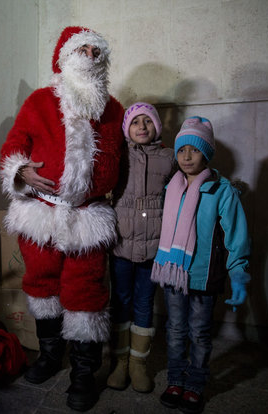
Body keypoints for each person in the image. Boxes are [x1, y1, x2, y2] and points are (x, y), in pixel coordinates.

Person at [0, 26, 124, 411]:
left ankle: (83, 374)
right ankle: (51, 356)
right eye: (81, 49)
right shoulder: (39, 102)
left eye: (96, 50)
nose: (90, 55)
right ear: (63, 58)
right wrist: (21, 171)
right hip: (41, 211)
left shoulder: (115, 109)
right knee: (41, 285)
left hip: (89, 216)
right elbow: (14, 145)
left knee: (86, 292)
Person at [151, 116, 251, 414]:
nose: (186, 156)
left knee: (199, 333)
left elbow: (236, 235)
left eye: (194, 150)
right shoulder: (171, 188)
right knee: (175, 330)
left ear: (206, 153)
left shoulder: (221, 191)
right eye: (182, 150)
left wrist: (239, 273)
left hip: (203, 276)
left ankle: (194, 384)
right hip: (174, 275)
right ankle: (175, 380)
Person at [106, 103, 174, 393]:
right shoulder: (119, 156)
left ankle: (138, 363)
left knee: (145, 302)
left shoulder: (169, 157)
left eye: (148, 121)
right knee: (121, 299)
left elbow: (190, 178)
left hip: (153, 247)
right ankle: (120, 361)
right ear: (127, 129)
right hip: (121, 243)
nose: (142, 127)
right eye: (136, 122)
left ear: (157, 127)